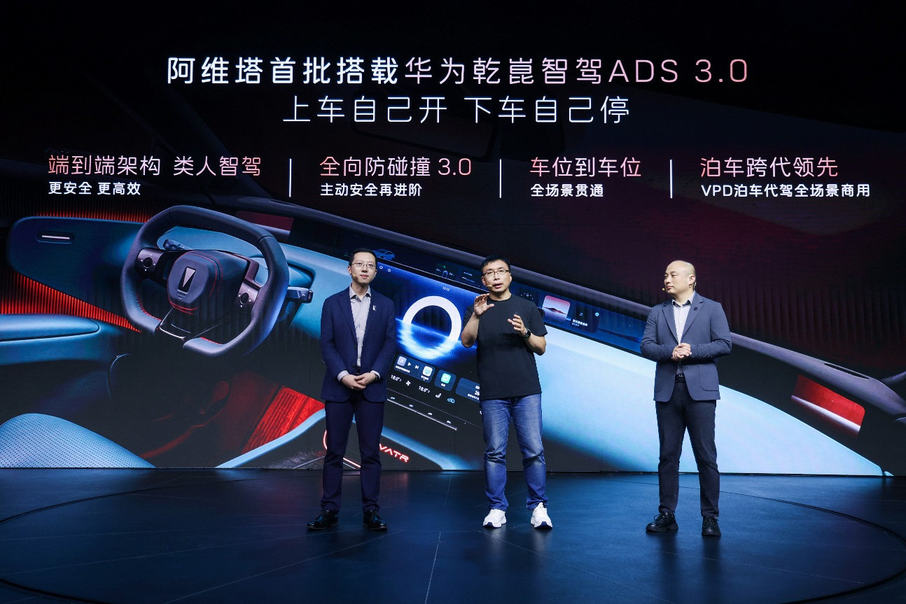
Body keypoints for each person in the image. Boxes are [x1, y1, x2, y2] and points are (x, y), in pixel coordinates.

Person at [307, 249, 396, 532]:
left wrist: (374, 373)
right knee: (334, 451)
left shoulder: (385, 305)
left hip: (372, 386)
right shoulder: (332, 303)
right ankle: (329, 509)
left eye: (370, 265)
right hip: (339, 386)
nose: (365, 269)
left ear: (376, 272)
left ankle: (371, 511)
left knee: (370, 453)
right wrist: (343, 375)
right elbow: (326, 343)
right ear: (349, 269)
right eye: (360, 264)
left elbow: (390, 344)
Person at [640, 260, 732, 537]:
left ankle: (710, 517)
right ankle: (667, 514)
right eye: (665, 275)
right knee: (668, 456)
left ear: (691, 279)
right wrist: (671, 352)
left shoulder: (712, 308)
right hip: (668, 391)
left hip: (701, 392)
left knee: (706, 456)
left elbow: (724, 344)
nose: (667, 279)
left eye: (673, 274)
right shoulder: (657, 311)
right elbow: (646, 346)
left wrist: (691, 351)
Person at [460, 255, 552, 530]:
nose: (496, 276)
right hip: (493, 393)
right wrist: (476, 315)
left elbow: (541, 347)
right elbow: (466, 342)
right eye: (490, 273)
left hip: (526, 391)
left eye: (501, 271)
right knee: (494, 452)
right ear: (483, 280)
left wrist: (525, 332)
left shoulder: (526, 307)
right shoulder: (477, 307)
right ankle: (497, 508)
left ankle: (538, 507)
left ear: (510, 276)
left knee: (534, 451)